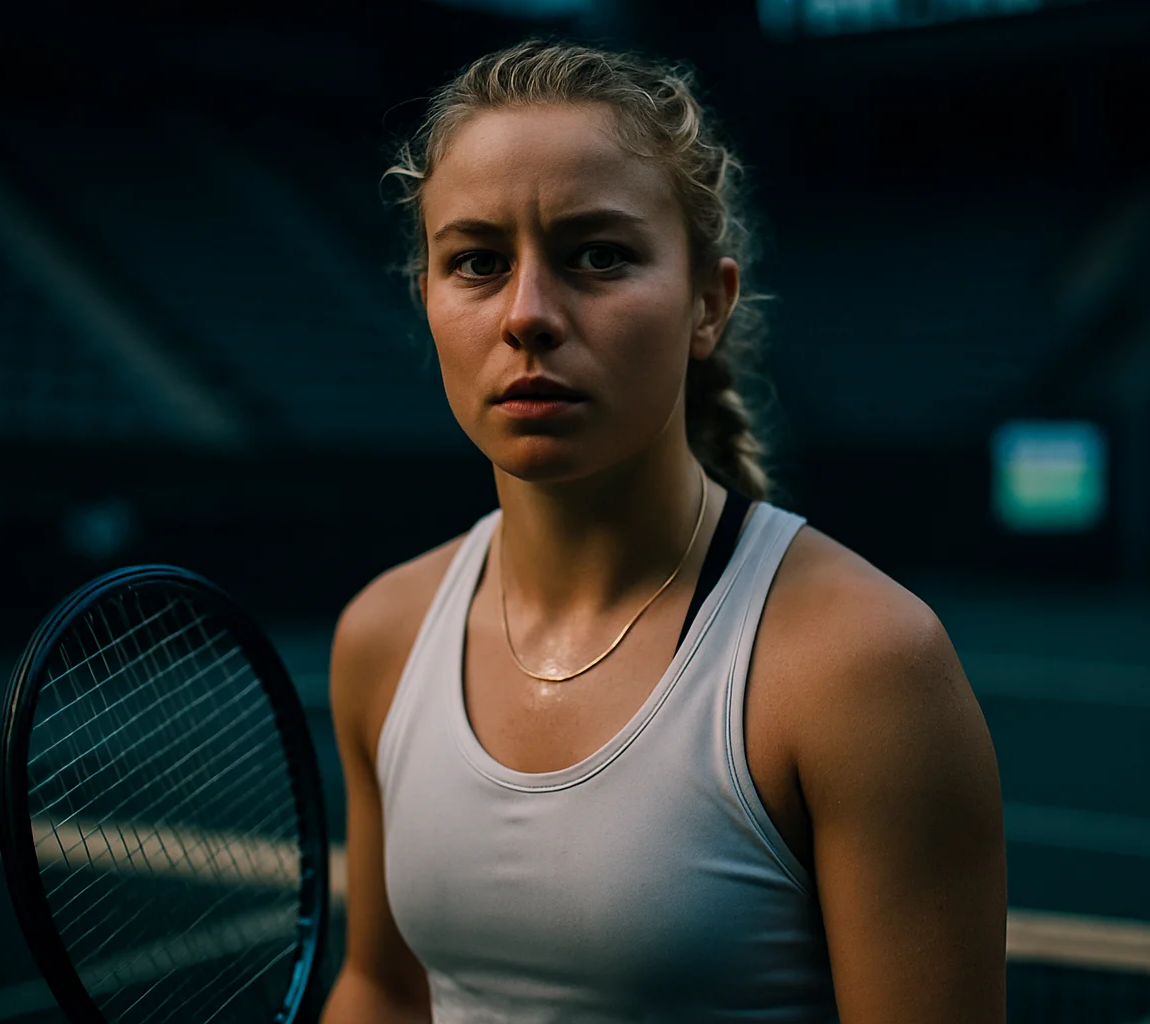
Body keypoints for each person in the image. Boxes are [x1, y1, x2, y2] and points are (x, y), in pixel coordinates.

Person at [321, 38, 1005, 1023]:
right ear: (426, 297)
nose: (527, 315)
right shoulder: (381, 636)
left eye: (599, 255)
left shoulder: (865, 666)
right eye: (476, 262)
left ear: (707, 304)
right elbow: (384, 990)